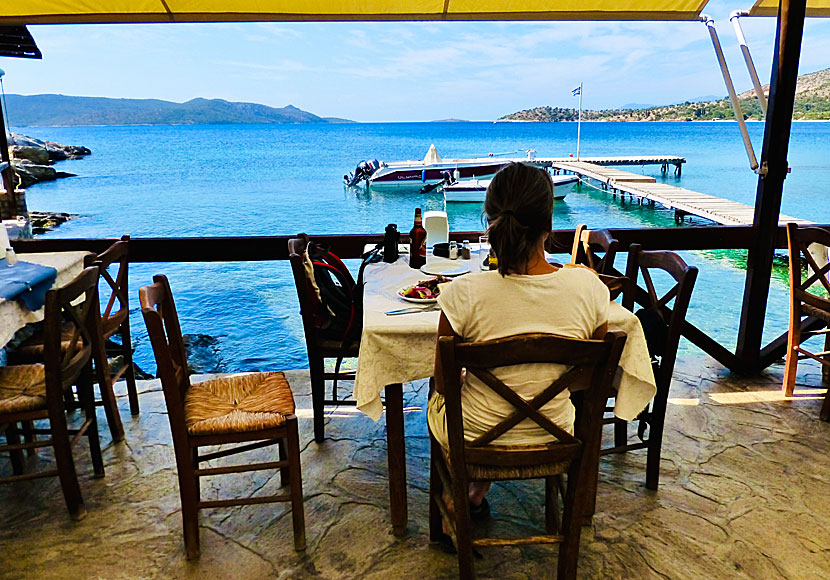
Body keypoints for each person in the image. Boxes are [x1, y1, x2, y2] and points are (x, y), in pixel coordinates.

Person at [427, 162, 610, 530]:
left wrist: (468, 383)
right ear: (549, 224)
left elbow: (445, 385)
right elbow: (589, 378)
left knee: (443, 398)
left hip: (476, 437)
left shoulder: (462, 293)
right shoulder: (589, 288)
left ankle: (461, 497)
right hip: (555, 433)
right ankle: (474, 494)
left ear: (490, 220)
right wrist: (541, 390)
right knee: (522, 392)